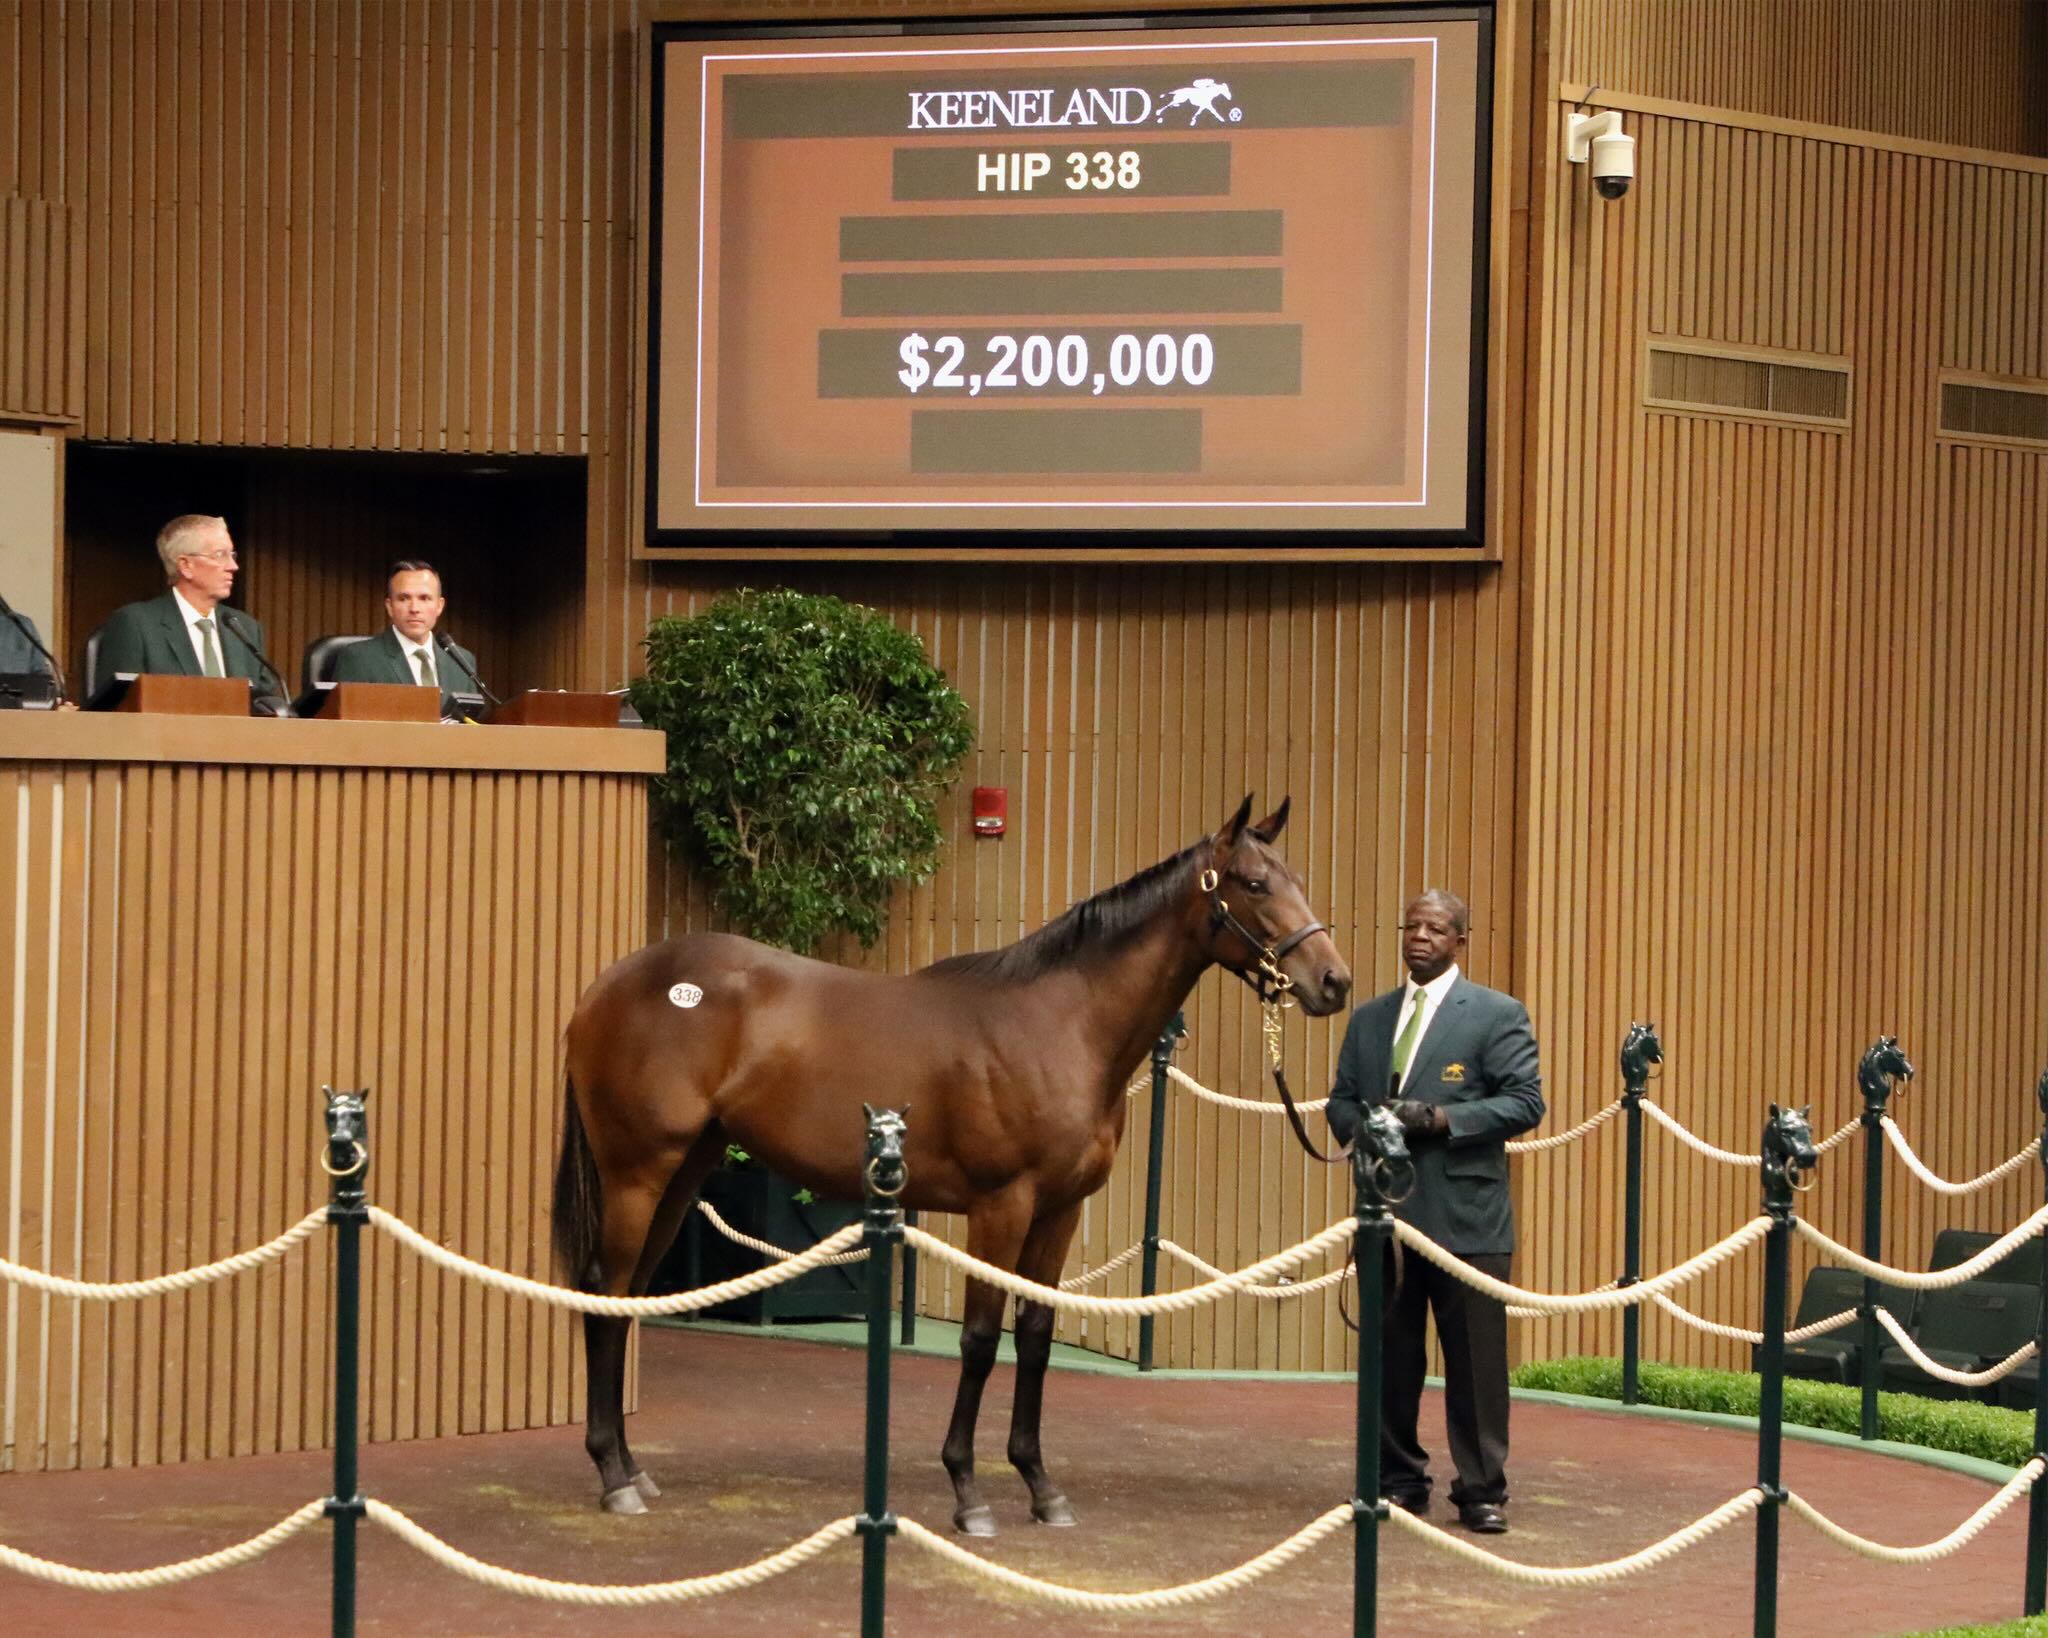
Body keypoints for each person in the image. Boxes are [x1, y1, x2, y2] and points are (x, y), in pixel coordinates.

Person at [1324, 889, 1544, 1535]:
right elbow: (1338, 1100)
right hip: (1385, 1217)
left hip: (1467, 1219)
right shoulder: (1369, 1018)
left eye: (1436, 928)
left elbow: (1526, 1102)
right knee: (1391, 1358)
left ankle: (1481, 1491)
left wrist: (1442, 1118)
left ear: (1459, 941)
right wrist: (1362, 1126)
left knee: (1475, 1364)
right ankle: (1395, 1482)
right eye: (1412, 926)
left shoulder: (1496, 1014)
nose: (1420, 936)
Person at [95, 515, 287, 713]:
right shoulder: (135, 623)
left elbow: (266, 704)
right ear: (186, 565)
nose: (233, 566)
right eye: (220, 555)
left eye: (233, 555)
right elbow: (117, 710)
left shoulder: (244, 628)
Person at [329, 559, 480, 716]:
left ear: (439, 606)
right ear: (389, 606)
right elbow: (344, 727)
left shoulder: (462, 662)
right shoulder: (359, 658)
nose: (414, 608)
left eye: (424, 598)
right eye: (404, 598)